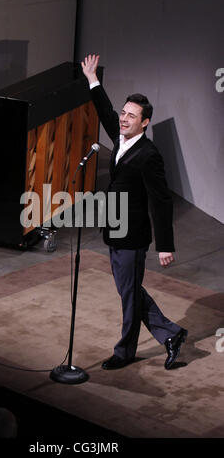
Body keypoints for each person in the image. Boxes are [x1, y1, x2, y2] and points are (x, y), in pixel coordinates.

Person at [81, 54, 188, 370]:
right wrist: (92, 78)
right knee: (129, 290)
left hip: (133, 234)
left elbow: (161, 200)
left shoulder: (148, 156)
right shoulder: (120, 136)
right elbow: (104, 111)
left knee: (128, 295)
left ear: (145, 122)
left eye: (131, 116)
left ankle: (125, 352)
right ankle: (171, 333)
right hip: (114, 227)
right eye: (124, 113)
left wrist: (165, 245)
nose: (124, 119)